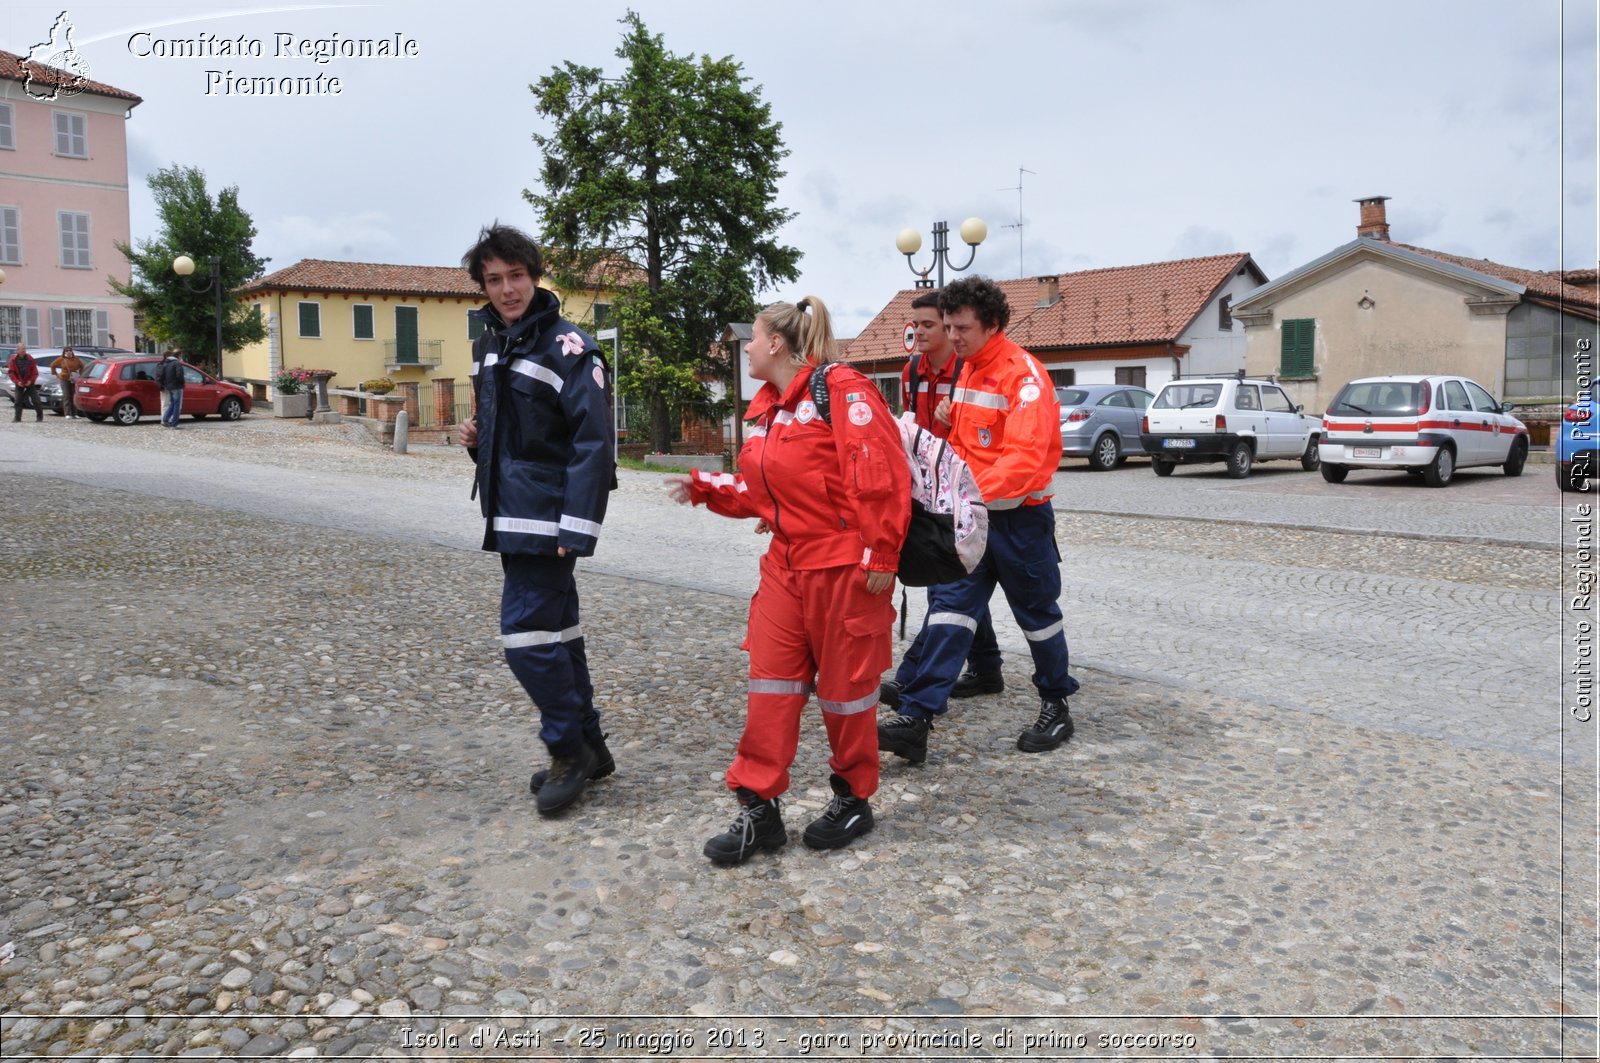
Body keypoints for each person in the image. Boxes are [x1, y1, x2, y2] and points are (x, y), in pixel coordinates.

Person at [668, 296, 910, 865]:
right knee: (770, 687)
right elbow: (765, 490)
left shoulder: (842, 390)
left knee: (848, 694)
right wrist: (707, 488)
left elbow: (881, 471)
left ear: (775, 343)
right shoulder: (771, 408)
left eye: (750, 337)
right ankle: (758, 808)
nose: (745, 347)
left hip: (844, 569)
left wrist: (882, 553)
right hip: (785, 566)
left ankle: (854, 798)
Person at [877, 276, 1078, 765]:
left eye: (961, 327)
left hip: (1019, 523)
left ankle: (1056, 704)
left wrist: (963, 495)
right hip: (972, 519)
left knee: (1037, 617)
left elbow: (1027, 460)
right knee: (949, 609)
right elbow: (967, 449)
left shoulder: (1023, 376)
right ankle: (917, 717)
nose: (954, 336)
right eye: (948, 326)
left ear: (991, 324)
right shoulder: (968, 369)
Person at [456, 223, 616, 816]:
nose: (506, 289)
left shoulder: (570, 348)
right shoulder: (490, 346)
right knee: (558, 634)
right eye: (493, 280)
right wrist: (477, 439)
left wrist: (576, 529)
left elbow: (593, 444)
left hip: (548, 522)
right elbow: (520, 437)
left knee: (525, 639)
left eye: (515, 276)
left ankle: (566, 749)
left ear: (534, 275)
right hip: (510, 513)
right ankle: (592, 746)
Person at [878, 291, 1004, 713]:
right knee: (955, 579)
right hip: (928, 489)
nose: (922, 333)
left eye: (931, 325)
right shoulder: (911, 369)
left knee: (949, 583)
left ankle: (922, 684)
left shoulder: (969, 371)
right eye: (918, 326)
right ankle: (986, 667)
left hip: (966, 488)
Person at [8, 343, 42, 422]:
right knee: (18, 400)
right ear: (18, 350)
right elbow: (11, 373)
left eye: (24, 348)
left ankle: (39, 417)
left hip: (29, 381)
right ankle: (17, 418)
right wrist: (17, 381)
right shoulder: (13, 360)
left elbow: (35, 372)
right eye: (22, 349)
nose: (24, 350)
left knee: (36, 400)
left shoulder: (30, 358)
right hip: (19, 382)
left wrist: (31, 381)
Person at [156, 350, 186, 428]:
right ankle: (174, 423)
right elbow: (179, 375)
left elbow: (162, 375)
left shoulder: (166, 363)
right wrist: (182, 383)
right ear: (179, 356)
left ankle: (165, 419)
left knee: (172, 403)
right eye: (181, 356)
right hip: (176, 386)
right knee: (176, 405)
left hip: (169, 386)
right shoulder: (177, 363)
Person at [53, 346, 84, 419]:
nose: (68, 352)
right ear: (64, 352)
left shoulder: (76, 359)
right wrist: (56, 374)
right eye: (67, 351)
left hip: (73, 379)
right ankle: (67, 413)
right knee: (66, 396)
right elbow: (52, 365)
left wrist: (80, 374)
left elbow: (82, 366)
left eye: (70, 350)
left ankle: (74, 413)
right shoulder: (61, 359)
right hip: (64, 379)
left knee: (73, 396)